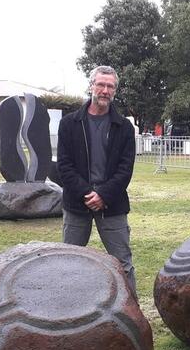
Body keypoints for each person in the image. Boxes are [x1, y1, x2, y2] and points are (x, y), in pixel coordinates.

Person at [57, 65, 137, 296]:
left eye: (110, 86)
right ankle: (65, 312)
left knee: (123, 264)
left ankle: (133, 317)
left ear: (114, 91)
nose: (104, 90)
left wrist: (103, 195)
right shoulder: (69, 124)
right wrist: (87, 193)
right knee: (68, 263)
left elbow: (125, 168)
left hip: (112, 204)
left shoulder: (124, 127)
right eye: (100, 84)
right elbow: (64, 165)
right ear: (91, 86)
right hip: (76, 203)